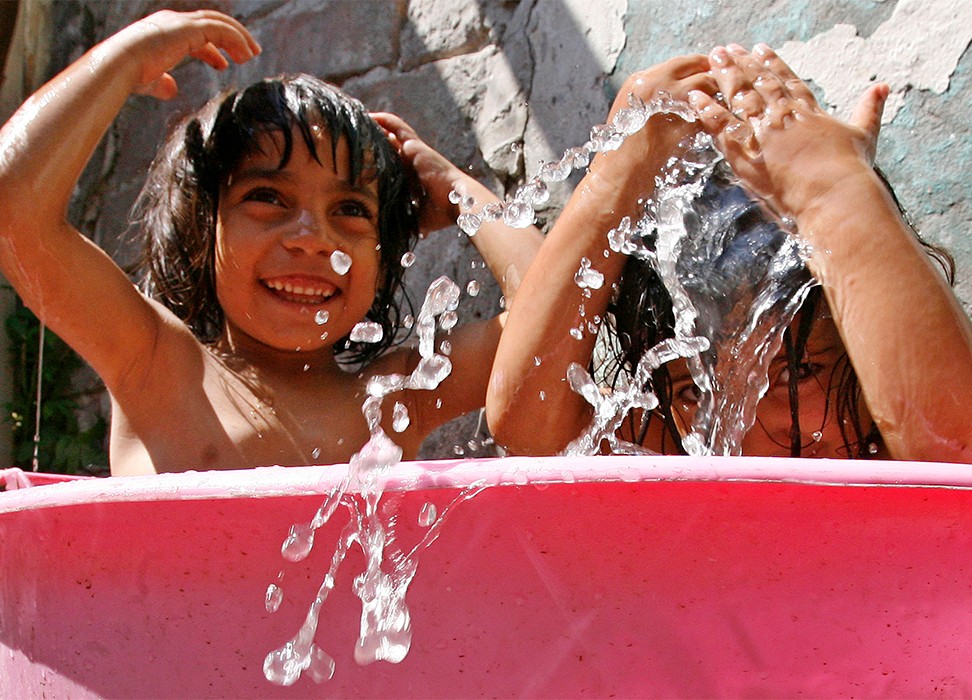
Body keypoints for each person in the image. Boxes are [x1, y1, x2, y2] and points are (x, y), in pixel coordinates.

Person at [0, 10, 541, 475]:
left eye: (350, 210)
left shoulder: (396, 396)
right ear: (202, 229)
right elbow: (14, 212)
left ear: (384, 254)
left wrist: (464, 195)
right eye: (268, 198)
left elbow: (554, 321)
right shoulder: (158, 364)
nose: (312, 239)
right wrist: (122, 60)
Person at [486, 45, 972, 463]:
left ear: (863, 348)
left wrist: (834, 194)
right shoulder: (689, 448)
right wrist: (617, 176)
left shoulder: (888, 455)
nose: (750, 435)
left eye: (797, 373)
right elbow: (528, 427)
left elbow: (955, 448)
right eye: (695, 391)